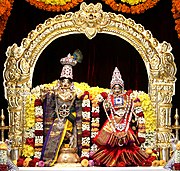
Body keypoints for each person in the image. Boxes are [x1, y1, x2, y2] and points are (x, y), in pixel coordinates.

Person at [92, 67, 149, 167]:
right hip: (113, 121)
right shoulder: (109, 98)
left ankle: (126, 159)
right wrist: (106, 103)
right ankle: (111, 160)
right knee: (109, 141)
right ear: (112, 88)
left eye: (119, 88)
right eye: (115, 88)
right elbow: (106, 107)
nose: (117, 90)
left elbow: (132, 107)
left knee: (127, 140)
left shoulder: (127, 97)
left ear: (122, 88)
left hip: (124, 121)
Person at [40, 50, 83, 166]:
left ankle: (70, 149)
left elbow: (78, 108)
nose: (65, 84)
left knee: (68, 134)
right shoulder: (55, 92)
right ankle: (49, 157)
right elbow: (48, 102)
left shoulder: (75, 93)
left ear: (71, 83)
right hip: (58, 118)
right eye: (63, 81)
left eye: (67, 81)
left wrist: (72, 117)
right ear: (60, 82)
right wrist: (45, 93)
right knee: (54, 135)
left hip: (69, 118)